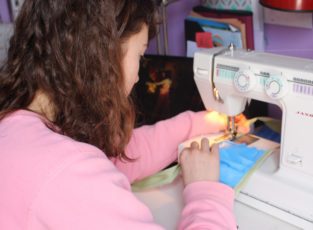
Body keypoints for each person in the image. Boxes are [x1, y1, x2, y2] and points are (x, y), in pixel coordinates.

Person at [0, 0, 238, 229]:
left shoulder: (16, 127)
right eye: (140, 55)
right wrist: (205, 192)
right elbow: (85, 169)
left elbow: (121, 155)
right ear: (103, 56)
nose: (137, 76)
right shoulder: (69, 174)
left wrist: (197, 123)